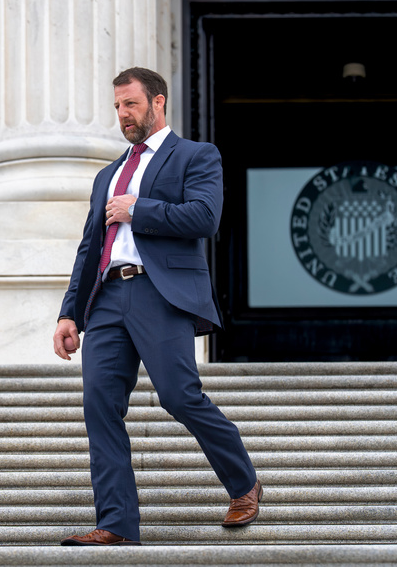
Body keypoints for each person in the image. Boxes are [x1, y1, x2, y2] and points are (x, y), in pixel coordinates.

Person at [53, 67, 261, 547]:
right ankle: (117, 523)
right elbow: (90, 248)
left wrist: (137, 210)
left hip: (159, 292)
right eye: (118, 107)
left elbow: (205, 217)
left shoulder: (195, 155)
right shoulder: (108, 174)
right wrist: (70, 313)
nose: (124, 115)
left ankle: (243, 483)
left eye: (131, 104)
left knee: (178, 394)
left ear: (158, 102)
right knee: (99, 404)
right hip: (107, 298)